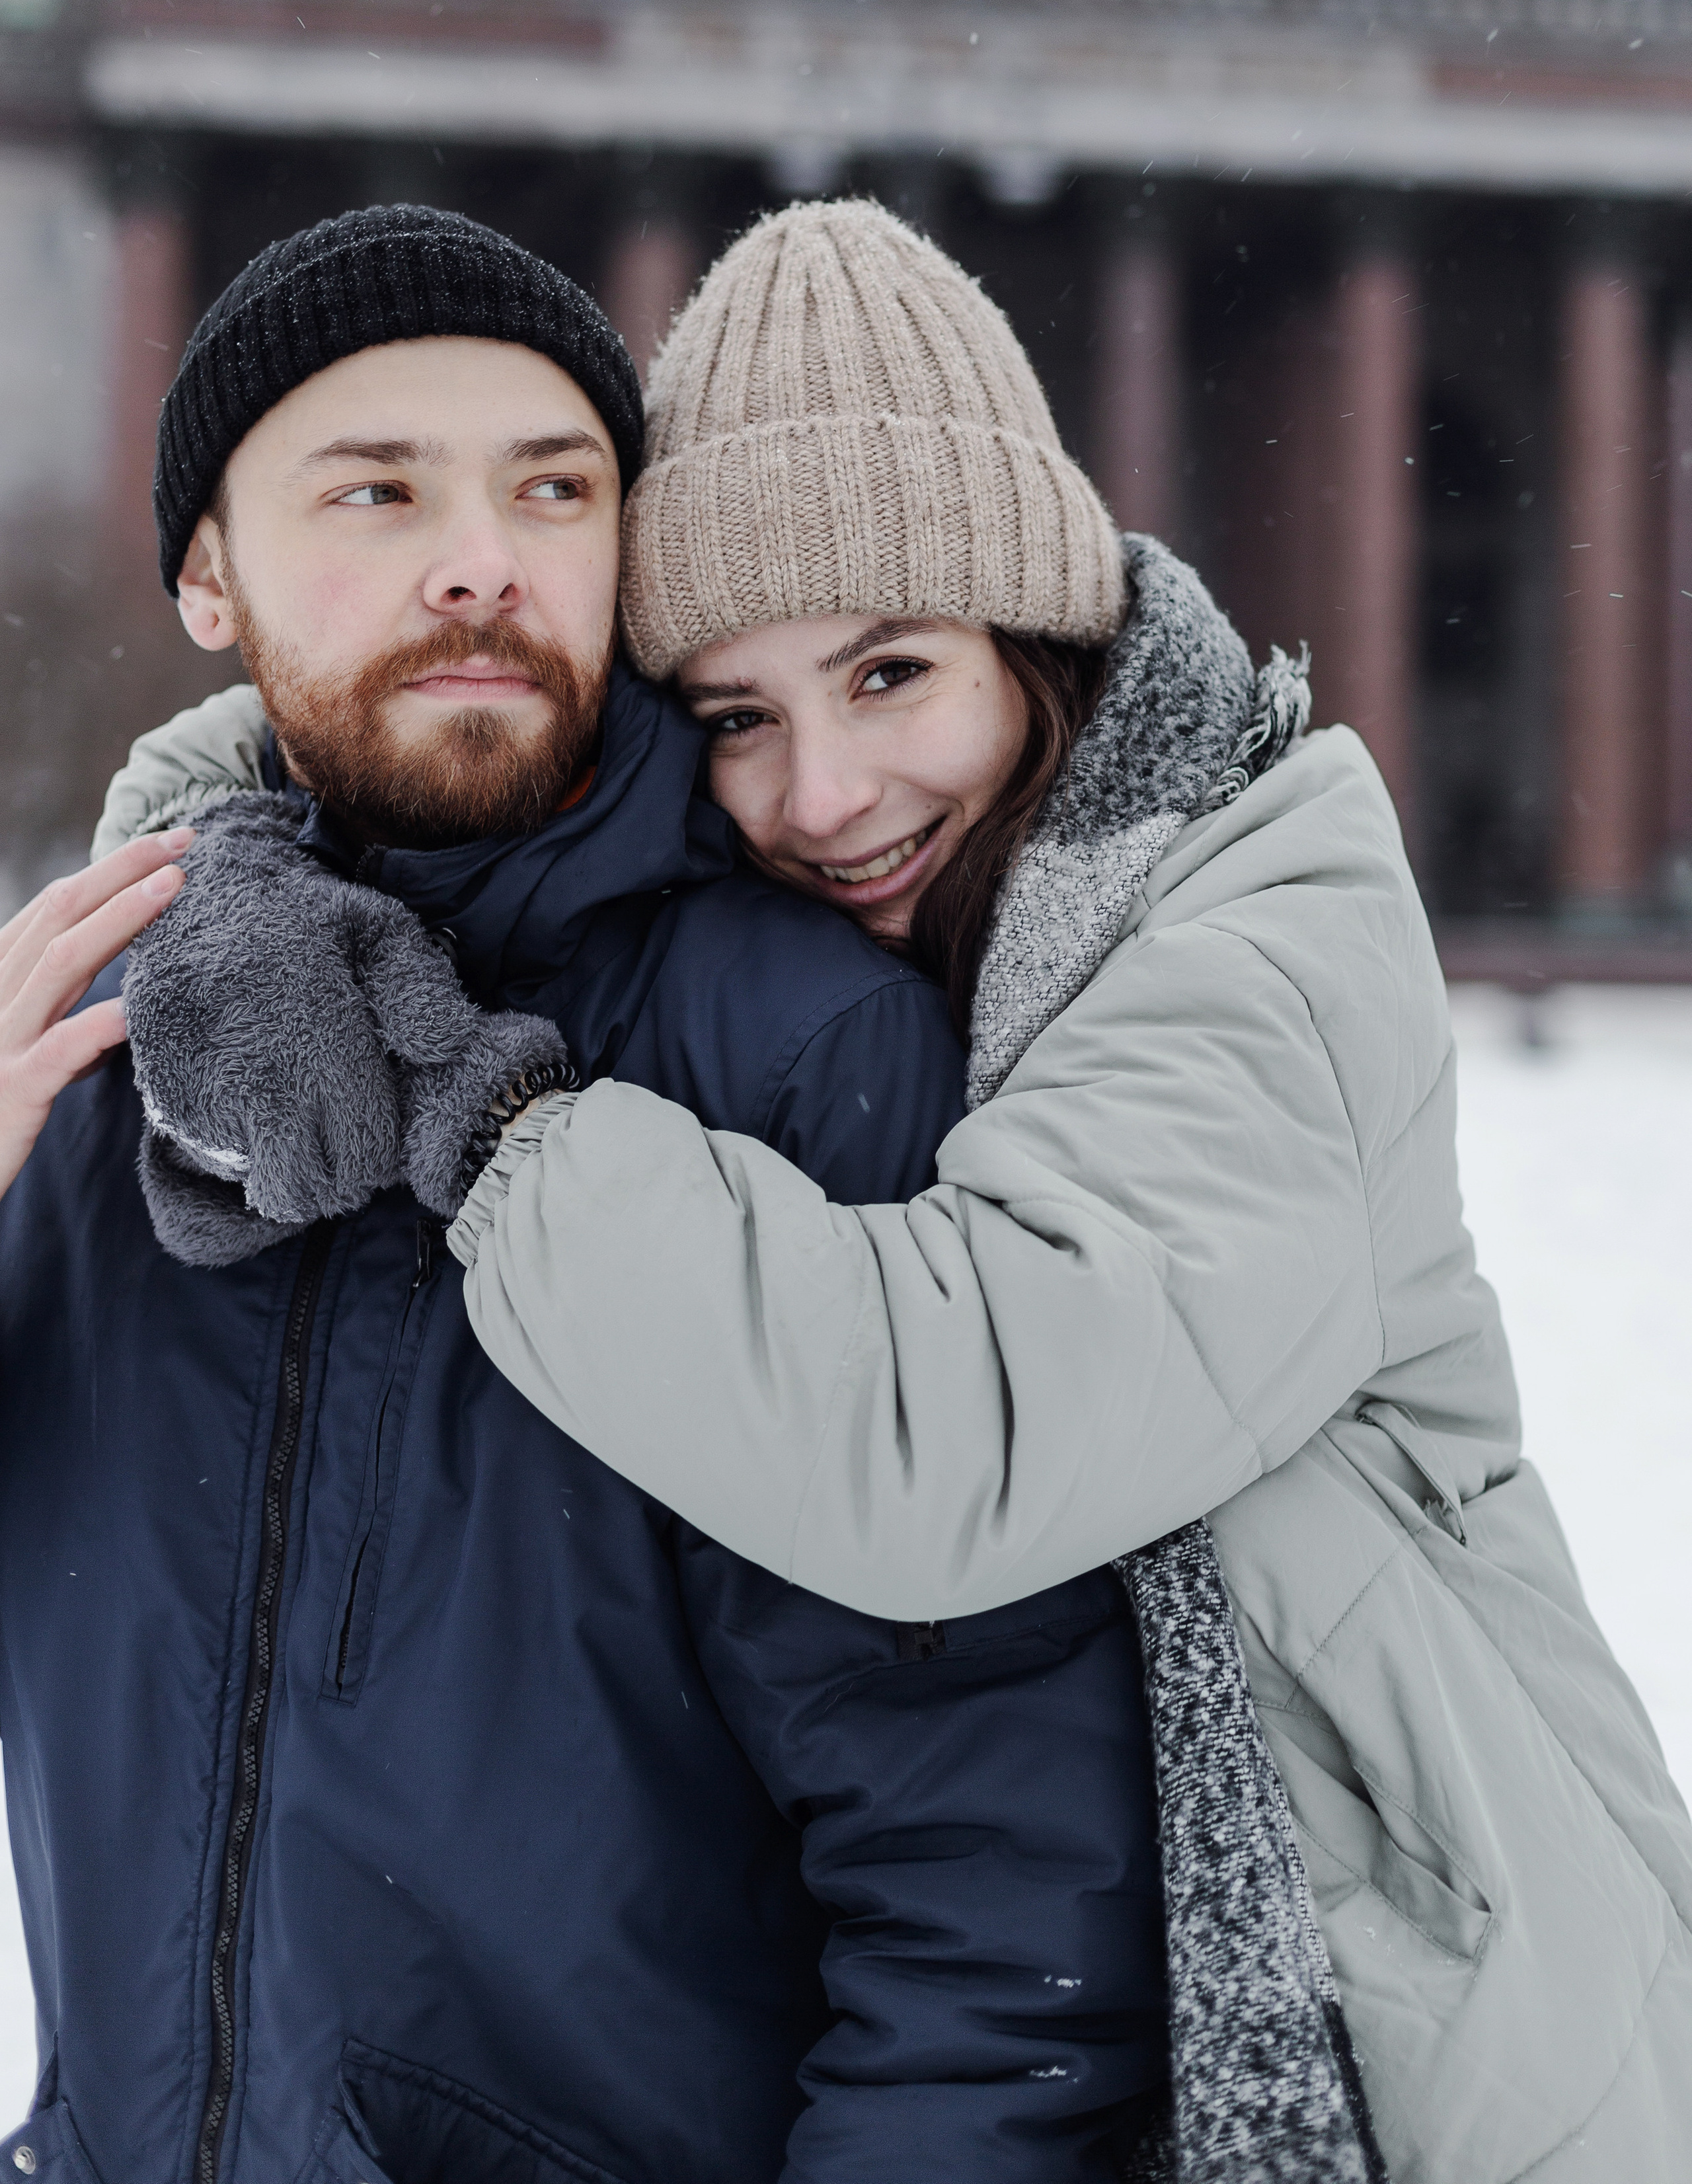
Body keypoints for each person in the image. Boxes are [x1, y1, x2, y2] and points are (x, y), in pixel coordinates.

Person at [104, 198, 1692, 2183]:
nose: (821, 795)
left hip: (1441, 2027)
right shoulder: (834, 981)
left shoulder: (1248, 934)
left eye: (891, 674)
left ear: (1038, 646)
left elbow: (964, 1427)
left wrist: (477, 1109)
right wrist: (227, 856)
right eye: (738, 720)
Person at [0, 205, 1175, 2183]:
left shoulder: (797, 1048)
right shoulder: (99, 1047)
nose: (481, 560)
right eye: (377, 490)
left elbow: (995, 1898)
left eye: (555, 488)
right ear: (209, 574)